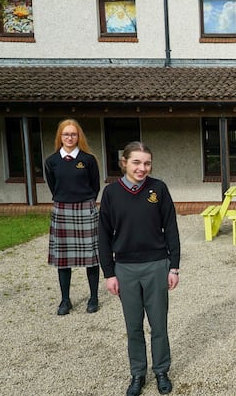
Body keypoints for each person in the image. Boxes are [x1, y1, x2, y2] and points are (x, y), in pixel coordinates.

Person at [98, 141, 180, 396]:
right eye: (136, 162)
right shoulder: (111, 193)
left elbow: (172, 229)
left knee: (158, 324)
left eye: (146, 163)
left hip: (156, 265)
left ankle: (161, 371)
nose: (142, 168)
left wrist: (174, 266)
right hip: (125, 268)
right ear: (124, 162)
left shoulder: (159, 189)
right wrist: (109, 273)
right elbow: (103, 236)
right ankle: (138, 373)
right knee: (133, 326)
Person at [44, 119, 101, 315]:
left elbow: (95, 186)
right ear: (60, 137)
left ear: (79, 137)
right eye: (66, 134)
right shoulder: (51, 161)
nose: (69, 137)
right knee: (63, 259)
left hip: (85, 208)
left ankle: (93, 298)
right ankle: (65, 300)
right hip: (62, 210)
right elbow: (53, 186)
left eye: (73, 134)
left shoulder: (88, 159)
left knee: (91, 258)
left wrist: (85, 202)